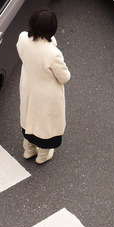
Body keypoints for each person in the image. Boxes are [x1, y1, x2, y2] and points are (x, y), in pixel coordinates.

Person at [16, 9, 71, 164]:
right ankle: (43, 155)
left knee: (29, 117)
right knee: (45, 124)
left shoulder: (22, 39)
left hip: (28, 86)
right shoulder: (53, 53)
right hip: (46, 94)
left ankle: (28, 149)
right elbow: (64, 77)